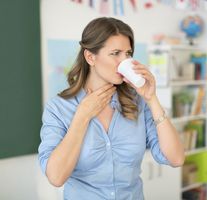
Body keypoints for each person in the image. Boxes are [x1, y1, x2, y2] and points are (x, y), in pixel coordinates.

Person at [38, 17, 184, 200]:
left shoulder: (137, 102)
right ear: (90, 57)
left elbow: (176, 158)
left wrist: (151, 99)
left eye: (128, 53)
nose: (124, 61)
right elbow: (56, 177)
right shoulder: (58, 108)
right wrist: (82, 116)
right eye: (115, 53)